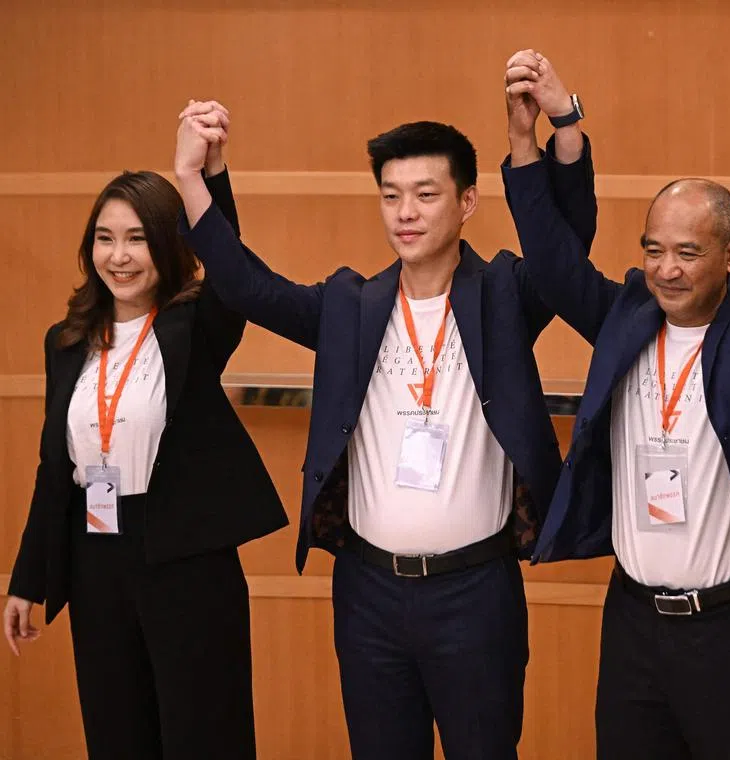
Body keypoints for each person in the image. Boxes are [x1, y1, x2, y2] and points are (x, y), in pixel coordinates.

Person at [172, 51, 596, 760]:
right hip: (367, 592)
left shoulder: (502, 296)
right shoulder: (351, 306)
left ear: (466, 203)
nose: (406, 212)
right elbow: (246, 286)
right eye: (392, 194)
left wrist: (554, 129)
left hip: (476, 593)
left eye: (426, 194)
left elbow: (567, 253)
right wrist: (195, 176)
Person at [502, 89, 730, 758]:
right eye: (653, 250)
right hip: (633, 623)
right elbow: (554, 266)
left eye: (686, 252)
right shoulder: (627, 314)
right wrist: (529, 139)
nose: (665, 269)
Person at [2, 101, 288, 760]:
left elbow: (236, 277)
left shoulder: (196, 326)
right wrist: (28, 578)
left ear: (169, 245)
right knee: (117, 738)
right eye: (105, 237)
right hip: (96, 561)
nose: (119, 255)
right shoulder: (67, 341)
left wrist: (209, 175)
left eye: (136, 238)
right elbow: (55, 469)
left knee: (201, 739)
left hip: (186, 564)